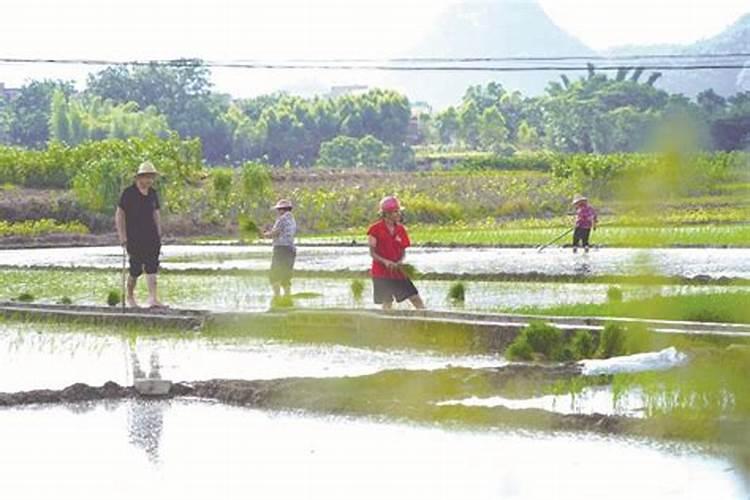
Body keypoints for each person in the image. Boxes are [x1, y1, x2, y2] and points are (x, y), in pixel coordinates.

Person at [115, 161, 165, 308]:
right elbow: (119, 215)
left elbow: (156, 213)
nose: (149, 180)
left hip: (151, 236)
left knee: (152, 267)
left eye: (151, 177)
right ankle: (130, 296)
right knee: (135, 269)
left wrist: (159, 232)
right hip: (134, 237)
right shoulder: (128, 193)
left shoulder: (153, 194)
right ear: (139, 178)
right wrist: (122, 236)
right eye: (146, 177)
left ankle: (153, 298)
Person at [367, 196, 425, 310]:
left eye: (398, 211)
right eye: (395, 212)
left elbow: (403, 251)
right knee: (387, 302)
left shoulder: (401, 229)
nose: (399, 214)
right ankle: (386, 326)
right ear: (386, 214)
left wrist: (400, 261)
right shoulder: (375, 229)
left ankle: (424, 321)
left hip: (398, 271)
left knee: (415, 298)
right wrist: (386, 262)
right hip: (381, 272)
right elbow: (372, 253)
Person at [263, 199, 297, 298]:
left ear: (282, 209)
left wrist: (265, 235)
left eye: (278, 210)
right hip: (291, 249)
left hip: (281, 249)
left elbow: (275, 233)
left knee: (274, 276)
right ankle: (287, 297)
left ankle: (276, 296)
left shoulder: (282, 219)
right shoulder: (292, 220)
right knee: (286, 277)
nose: (277, 212)